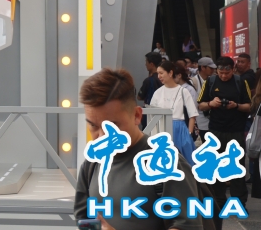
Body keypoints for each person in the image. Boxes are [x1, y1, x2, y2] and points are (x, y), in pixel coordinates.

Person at [74, 68, 203, 230]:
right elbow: (83, 219)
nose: (101, 136)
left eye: (112, 126)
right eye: (93, 125)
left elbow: (187, 226)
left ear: (137, 116)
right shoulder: (91, 164)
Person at [198, 56, 252, 210]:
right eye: (220, 73)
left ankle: (239, 202)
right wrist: (211, 103)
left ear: (233, 69)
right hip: (215, 130)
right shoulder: (210, 81)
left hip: (235, 131)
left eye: (226, 73)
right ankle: (218, 201)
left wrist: (236, 106)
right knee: (215, 167)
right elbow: (200, 105)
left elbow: (249, 106)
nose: (223, 76)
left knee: (237, 168)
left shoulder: (241, 82)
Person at [150, 62, 197, 164]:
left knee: (185, 162)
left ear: (170, 73)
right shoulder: (157, 93)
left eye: (161, 73)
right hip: (162, 128)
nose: (159, 76)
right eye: (158, 73)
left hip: (180, 129)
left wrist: (189, 133)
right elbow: (152, 115)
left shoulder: (183, 91)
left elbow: (192, 114)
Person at [192, 57, 216, 141]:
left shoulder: (214, 80)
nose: (213, 70)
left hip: (214, 120)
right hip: (200, 121)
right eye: (210, 68)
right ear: (202, 67)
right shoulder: (193, 82)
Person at [137, 51, 162, 129]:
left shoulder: (148, 80)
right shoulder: (165, 79)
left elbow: (139, 97)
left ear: (151, 64)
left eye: (146, 62)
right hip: (162, 113)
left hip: (149, 114)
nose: (145, 64)